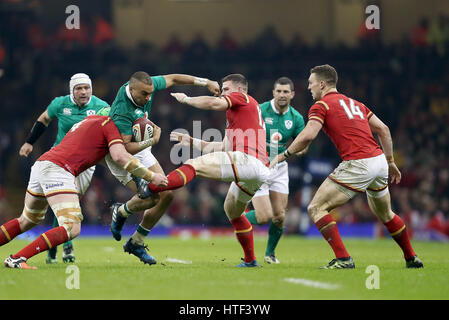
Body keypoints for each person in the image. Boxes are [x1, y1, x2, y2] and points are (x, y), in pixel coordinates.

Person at [271, 64, 423, 269]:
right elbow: (383, 130)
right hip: (378, 161)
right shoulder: (357, 104)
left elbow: (308, 135)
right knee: (386, 214)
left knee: (316, 208)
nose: (309, 88)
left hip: (358, 163)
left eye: (311, 83)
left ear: (322, 84)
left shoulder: (321, 105)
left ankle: (343, 259)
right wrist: (390, 162)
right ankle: (411, 257)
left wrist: (285, 155)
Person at [1, 115, 167, 269]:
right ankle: (18, 258)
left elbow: (104, 157)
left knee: (27, 220)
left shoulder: (90, 120)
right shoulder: (109, 127)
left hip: (43, 164)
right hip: (59, 170)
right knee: (71, 227)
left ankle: (17, 258)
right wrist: (151, 174)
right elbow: (120, 157)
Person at [143, 73, 271, 267]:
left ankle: (154, 188)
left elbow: (213, 104)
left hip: (248, 161)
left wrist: (186, 99)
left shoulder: (243, 98)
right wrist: (192, 141)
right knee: (233, 212)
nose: (222, 92)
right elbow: (223, 147)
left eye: (226, 89)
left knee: (194, 165)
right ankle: (251, 260)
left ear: (241, 89)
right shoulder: (239, 114)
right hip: (257, 170)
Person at [105, 71, 220, 265]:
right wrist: (153, 140)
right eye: (144, 94)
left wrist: (206, 81)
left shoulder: (145, 86)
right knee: (152, 198)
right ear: (132, 89)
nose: (148, 98)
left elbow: (174, 78)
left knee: (167, 193)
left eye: (150, 93)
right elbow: (124, 148)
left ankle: (135, 240)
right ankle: (121, 212)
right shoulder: (121, 110)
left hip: (141, 149)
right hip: (121, 155)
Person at [19, 73, 110, 264]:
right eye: (79, 88)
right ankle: (64, 246)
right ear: (72, 90)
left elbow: (110, 129)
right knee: (60, 202)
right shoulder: (60, 104)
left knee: (70, 202)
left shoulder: (101, 106)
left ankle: (57, 245)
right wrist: (29, 142)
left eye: (87, 88)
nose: (83, 92)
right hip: (59, 160)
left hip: (85, 162)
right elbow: (43, 119)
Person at [243, 77, 305, 264]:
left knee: (279, 216)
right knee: (263, 217)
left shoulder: (296, 118)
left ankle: (270, 254)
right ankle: (237, 216)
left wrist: (294, 151)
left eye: (286, 92)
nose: (282, 95)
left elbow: (303, 144)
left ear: (292, 94)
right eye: (278, 91)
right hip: (258, 166)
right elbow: (244, 131)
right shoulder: (260, 110)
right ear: (273, 93)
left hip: (279, 167)